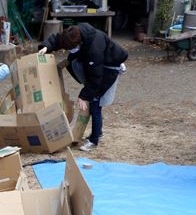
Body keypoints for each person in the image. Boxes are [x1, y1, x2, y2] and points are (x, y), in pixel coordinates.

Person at [38, 23, 128, 152]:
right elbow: (59, 38)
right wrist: (46, 46)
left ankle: (94, 140)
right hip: (98, 66)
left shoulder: (94, 49)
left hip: (108, 69)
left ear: (79, 44)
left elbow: (95, 77)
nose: (68, 51)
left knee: (95, 103)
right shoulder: (76, 32)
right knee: (92, 100)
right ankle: (98, 132)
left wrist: (84, 96)